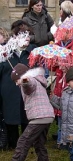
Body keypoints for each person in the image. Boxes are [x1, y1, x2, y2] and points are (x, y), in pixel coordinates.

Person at [0, 63, 54, 161]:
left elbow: (28, 85)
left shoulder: (30, 80)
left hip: (39, 117)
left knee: (23, 141)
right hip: (47, 116)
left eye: (16, 80)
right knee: (39, 143)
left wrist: (24, 81)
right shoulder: (39, 79)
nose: (16, 83)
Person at [0, 22, 36, 150]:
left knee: (27, 115)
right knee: (11, 116)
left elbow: (36, 69)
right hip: (9, 90)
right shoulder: (6, 52)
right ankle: (12, 143)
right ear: (15, 37)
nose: (27, 38)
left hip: (27, 90)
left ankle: (27, 142)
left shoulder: (32, 51)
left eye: (28, 35)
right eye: (23, 35)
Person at [52, 35, 73, 149]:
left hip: (71, 85)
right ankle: (62, 138)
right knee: (62, 110)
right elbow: (51, 65)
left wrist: (69, 69)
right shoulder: (56, 47)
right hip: (60, 83)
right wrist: (57, 66)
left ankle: (69, 140)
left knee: (71, 113)